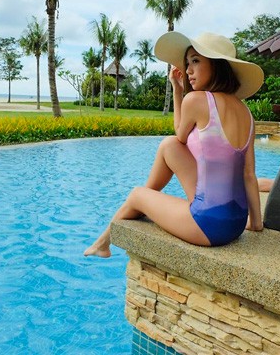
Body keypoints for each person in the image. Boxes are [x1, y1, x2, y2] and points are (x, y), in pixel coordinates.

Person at [84, 31, 265, 258]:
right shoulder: (246, 112)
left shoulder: (197, 100)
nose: (188, 70)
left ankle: (104, 242)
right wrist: (255, 222)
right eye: (187, 63)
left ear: (216, 65)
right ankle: (144, 204)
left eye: (195, 61)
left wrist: (177, 90)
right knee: (168, 146)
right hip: (236, 224)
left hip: (208, 226)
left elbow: (181, 133)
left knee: (137, 194)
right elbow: (249, 174)